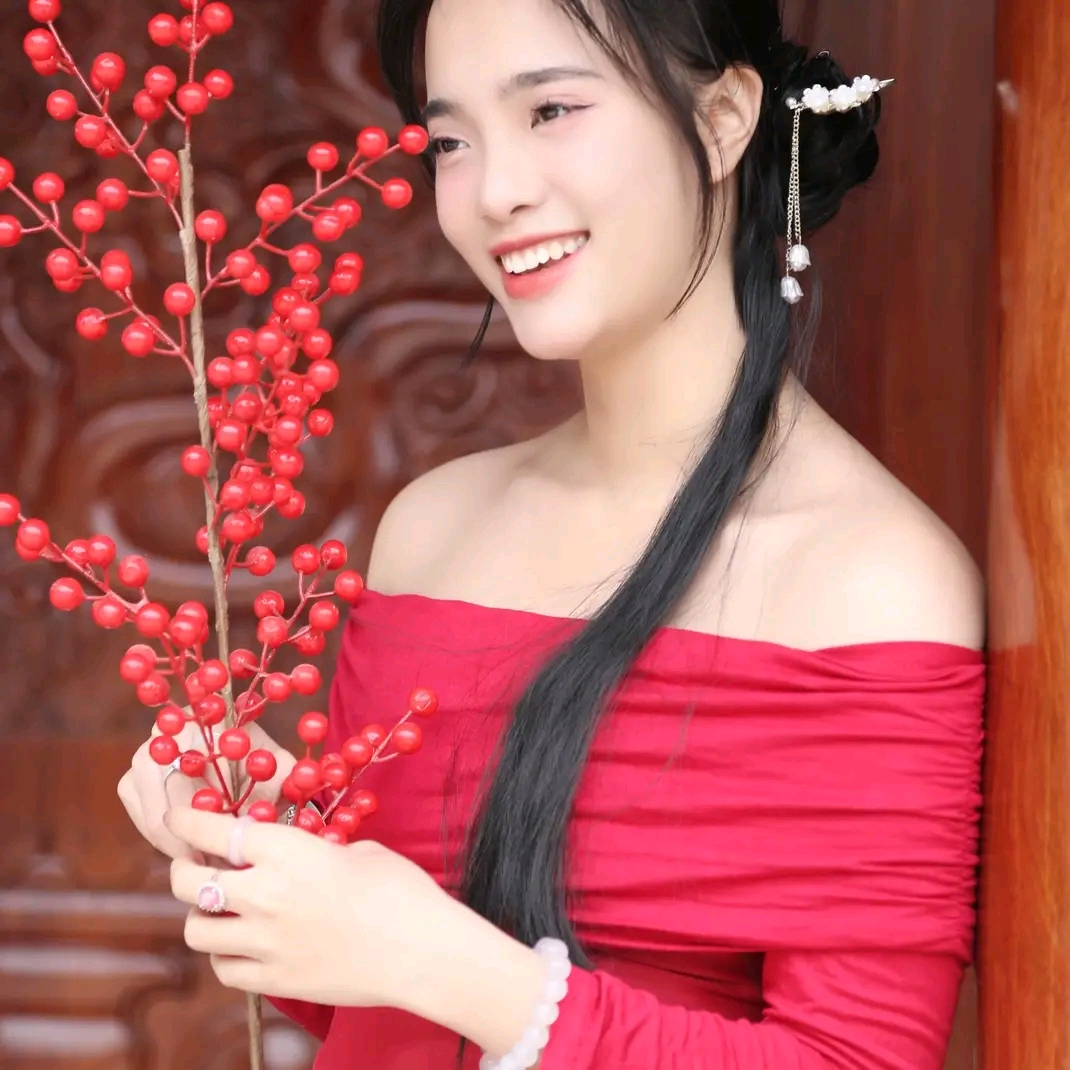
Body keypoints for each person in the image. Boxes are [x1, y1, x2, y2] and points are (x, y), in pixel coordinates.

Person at [118, 0, 987, 1067]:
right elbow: (375, 1017)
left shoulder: (872, 584)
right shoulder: (432, 531)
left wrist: (441, 960)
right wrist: (261, 846)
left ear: (722, 119)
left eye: (551, 111)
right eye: (450, 141)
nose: (495, 192)